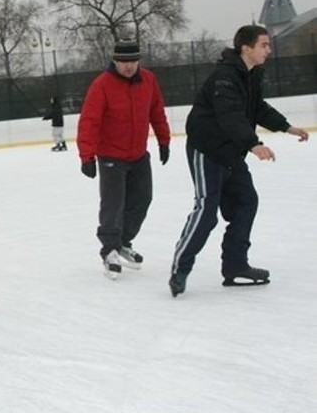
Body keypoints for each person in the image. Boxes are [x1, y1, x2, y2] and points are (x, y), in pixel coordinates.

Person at [168, 25, 309, 297]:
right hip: (207, 150)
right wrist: (253, 144)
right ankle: (180, 268)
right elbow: (229, 114)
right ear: (247, 48)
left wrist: (286, 127)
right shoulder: (226, 76)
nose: (269, 50)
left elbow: (257, 109)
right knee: (207, 211)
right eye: (264, 45)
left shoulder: (252, 74)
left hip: (232, 151)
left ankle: (235, 266)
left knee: (246, 202)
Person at [77, 41, 171, 279]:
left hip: (139, 154)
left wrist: (164, 141)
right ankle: (109, 249)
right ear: (115, 61)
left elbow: (156, 111)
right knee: (113, 204)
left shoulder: (148, 80)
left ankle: (123, 242)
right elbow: (89, 121)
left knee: (142, 199)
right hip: (111, 156)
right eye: (123, 62)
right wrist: (86, 156)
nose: (129, 67)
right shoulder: (102, 85)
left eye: (133, 62)